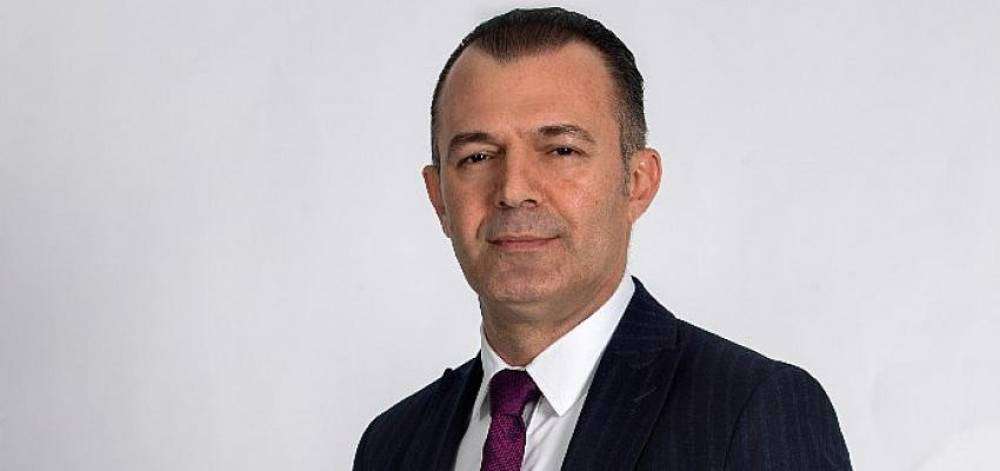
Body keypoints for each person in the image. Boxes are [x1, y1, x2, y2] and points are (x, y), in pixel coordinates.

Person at [353, 7, 852, 471]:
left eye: (561, 150)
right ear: (439, 197)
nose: (513, 190)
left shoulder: (752, 410)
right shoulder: (392, 445)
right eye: (478, 157)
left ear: (637, 182)